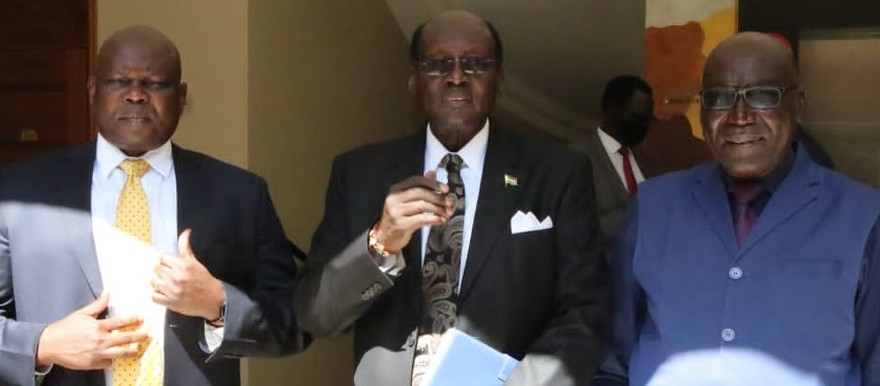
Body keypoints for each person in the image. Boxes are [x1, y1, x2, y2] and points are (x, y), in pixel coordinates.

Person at [296, 10, 607, 386]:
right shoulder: (360, 173)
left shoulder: (558, 173)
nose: (457, 77)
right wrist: (380, 242)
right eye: (438, 64)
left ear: (500, 80)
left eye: (476, 64)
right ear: (414, 80)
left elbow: (585, 313)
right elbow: (315, 315)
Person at [0, 26, 304, 386]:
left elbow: (295, 322)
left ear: (181, 96)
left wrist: (219, 305)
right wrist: (43, 345)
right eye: (118, 82)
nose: (135, 96)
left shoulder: (239, 194)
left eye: (155, 83)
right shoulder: (21, 194)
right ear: (93, 92)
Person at [593, 32, 880, 386]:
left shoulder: (864, 218)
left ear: (799, 103)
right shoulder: (652, 207)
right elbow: (612, 364)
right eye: (719, 98)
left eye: (762, 96)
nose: (739, 117)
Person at [570, 75, 655, 256]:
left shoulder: (646, 162)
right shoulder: (576, 158)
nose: (643, 126)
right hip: (602, 275)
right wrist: (641, 220)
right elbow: (574, 224)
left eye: (648, 120)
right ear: (612, 109)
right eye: (637, 118)